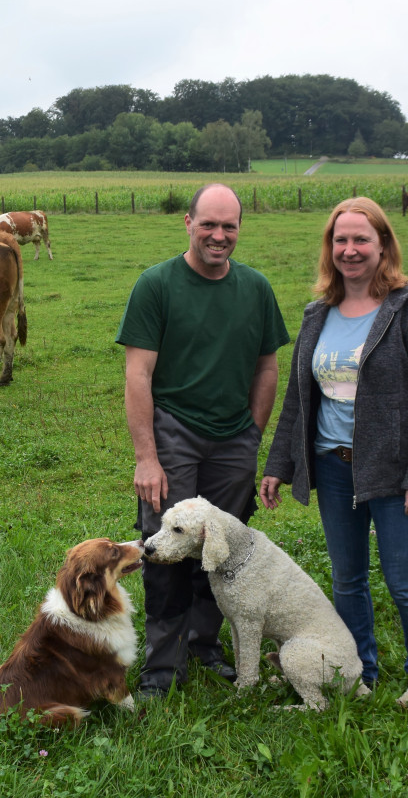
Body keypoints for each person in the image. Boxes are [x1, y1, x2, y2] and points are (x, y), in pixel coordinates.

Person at [259, 196, 408, 722]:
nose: (350, 249)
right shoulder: (318, 313)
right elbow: (300, 399)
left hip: (392, 471)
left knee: (404, 581)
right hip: (333, 467)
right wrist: (279, 465)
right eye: (340, 240)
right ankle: (358, 670)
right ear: (330, 248)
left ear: (383, 244)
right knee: (347, 579)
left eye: (361, 239)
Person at [116, 183, 290, 699]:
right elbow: (138, 376)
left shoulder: (256, 289)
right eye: (208, 224)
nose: (219, 235)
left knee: (222, 550)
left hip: (234, 438)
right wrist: (147, 457)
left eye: (229, 226)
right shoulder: (157, 285)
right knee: (168, 548)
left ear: (239, 228)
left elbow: (267, 367)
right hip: (174, 433)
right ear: (187, 223)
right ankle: (162, 668)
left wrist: (252, 436)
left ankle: (203, 645)